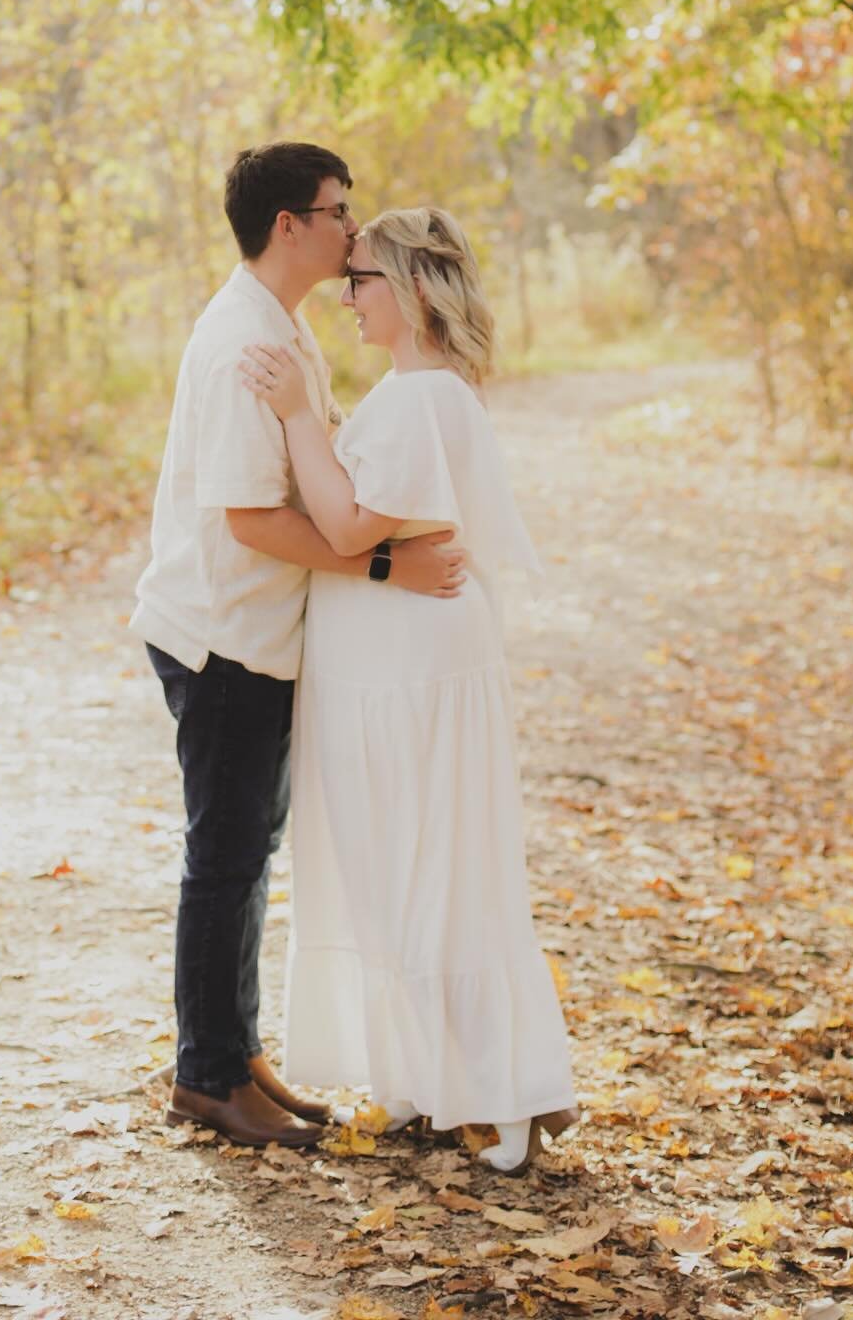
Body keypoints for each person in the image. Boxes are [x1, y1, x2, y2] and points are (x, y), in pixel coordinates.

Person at [131, 145, 470, 1150]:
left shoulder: (282, 329)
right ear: (289, 225)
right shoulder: (244, 340)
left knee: (247, 851)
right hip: (222, 636)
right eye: (336, 211)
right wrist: (381, 570)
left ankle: (233, 1054)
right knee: (226, 858)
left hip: (260, 637)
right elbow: (247, 519)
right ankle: (207, 1076)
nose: (352, 230)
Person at [240, 205, 577, 1173]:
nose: (348, 297)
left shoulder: (425, 398)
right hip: (382, 663)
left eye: (364, 279)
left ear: (416, 289)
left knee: (432, 868)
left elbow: (348, 528)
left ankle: (498, 1095)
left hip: (408, 669)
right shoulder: (412, 391)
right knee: (396, 865)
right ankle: (437, 1078)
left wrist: (301, 412)